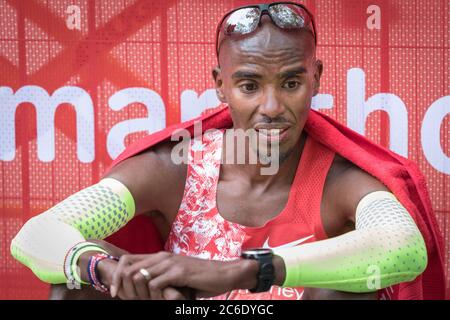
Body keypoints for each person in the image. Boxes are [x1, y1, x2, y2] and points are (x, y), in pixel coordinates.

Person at [11, 2, 445, 300]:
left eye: (291, 83)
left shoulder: (342, 179)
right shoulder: (176, 167)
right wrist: (103, 270)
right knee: (77, 285)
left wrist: (243, 270)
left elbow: (404, 250)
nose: (272, 108)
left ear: (316, 78)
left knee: (346, 289)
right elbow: (35, 235)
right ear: (221, 84)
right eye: (250, 86)